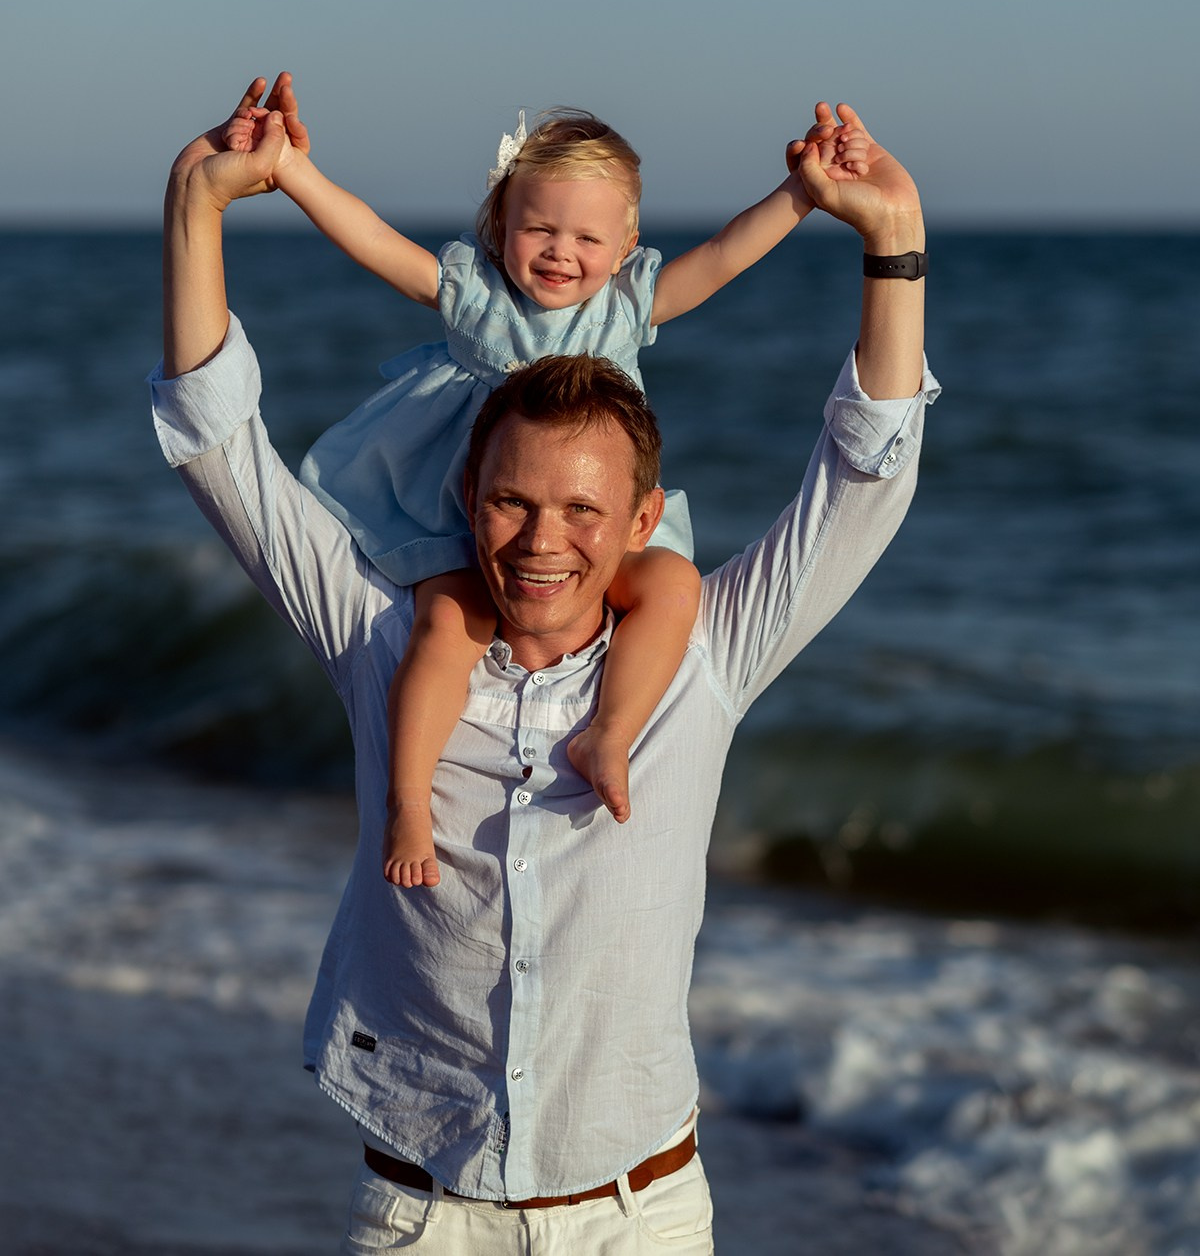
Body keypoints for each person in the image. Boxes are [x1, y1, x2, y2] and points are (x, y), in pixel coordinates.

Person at [152, 77, 938, 1252]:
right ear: (466, 496)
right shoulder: (382, 640)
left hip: (639, 1218)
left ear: (642, 521)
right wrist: (197, 202)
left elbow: (866, 476)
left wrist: (893, 240)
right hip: (424, 1215)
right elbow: (221, 445)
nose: (541, 540)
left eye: (582, 509)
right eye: (512, 501)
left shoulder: (703, 658)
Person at [221, 84, 869, 888]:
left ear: (626, 246)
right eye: (540, 229)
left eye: (588, 237)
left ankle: (610, 733)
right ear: (500, 226)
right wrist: (291, 172)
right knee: (447, 625)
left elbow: (724, 257)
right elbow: (378, 243)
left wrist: (800, 193)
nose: (562, 252)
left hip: (584, 525)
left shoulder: (625, 308)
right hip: (471, 516)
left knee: (673, 587)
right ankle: (407, 799)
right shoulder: (477, 297)